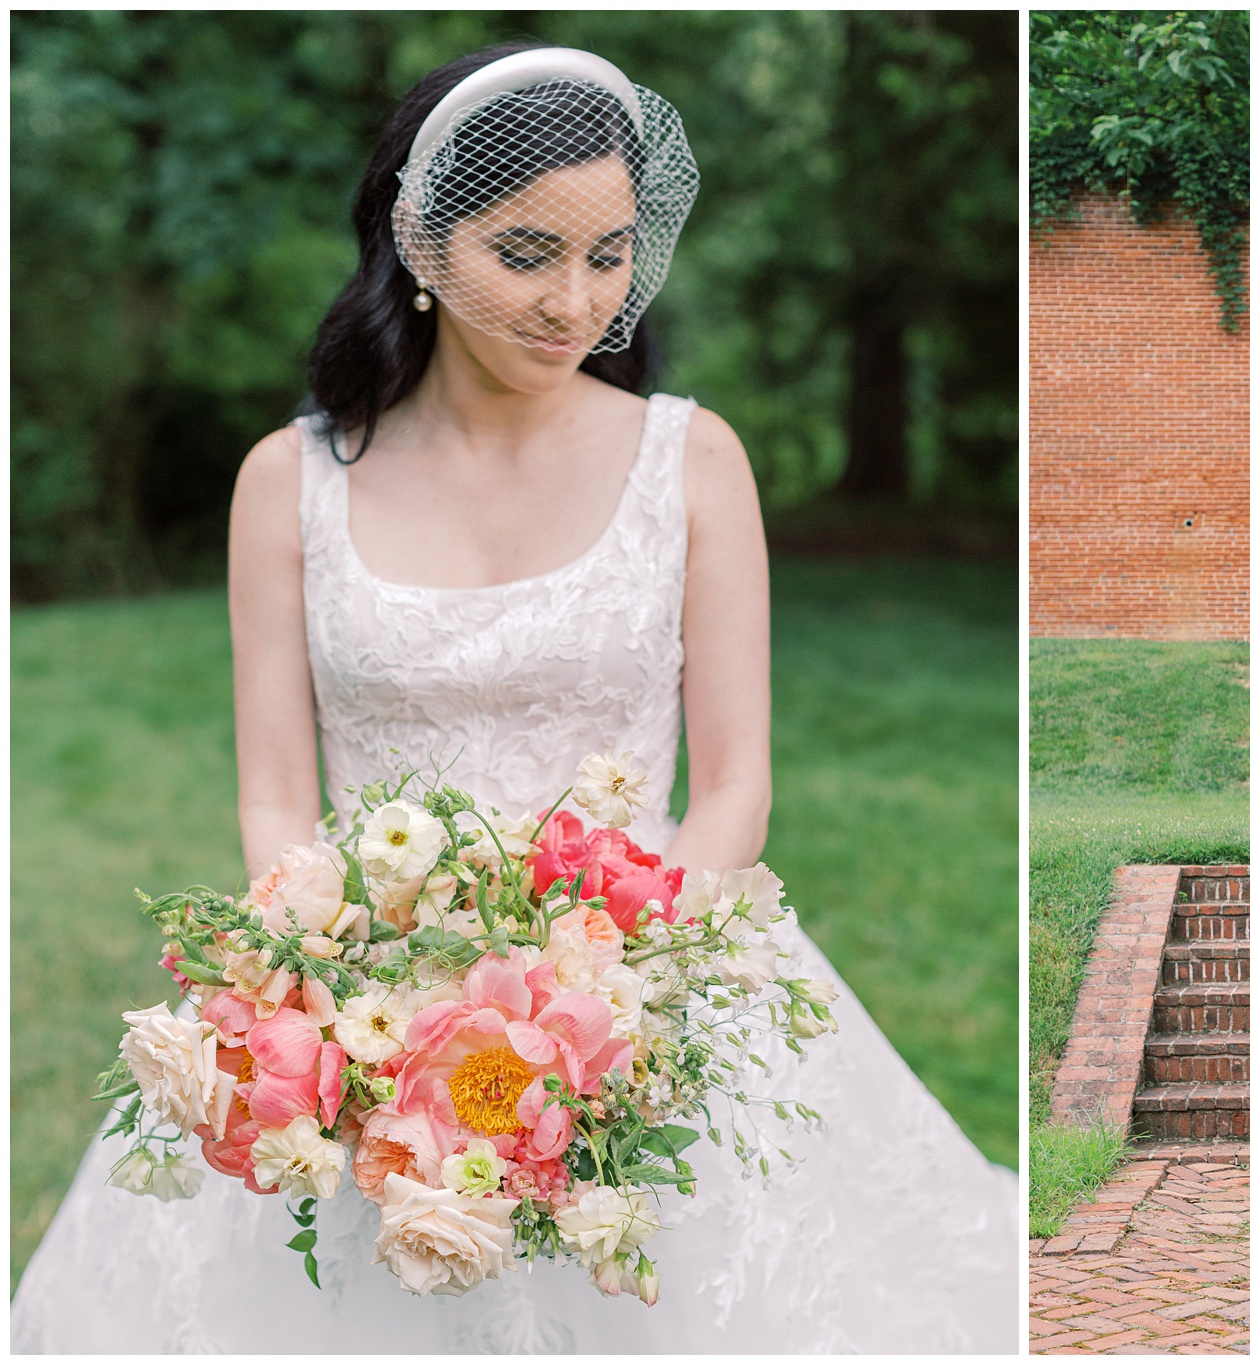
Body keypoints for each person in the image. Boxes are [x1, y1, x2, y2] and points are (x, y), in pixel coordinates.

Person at [11, 44, 1017, 1353]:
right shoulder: (287, 482)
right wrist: (345, 995)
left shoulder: (693, 462)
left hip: (650, 975)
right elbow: (274, 795)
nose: (577, 301)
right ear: (421, 241)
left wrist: (622, 994)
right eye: (529, 254)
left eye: (610, 256)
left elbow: (733, 786)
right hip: (371, 996)